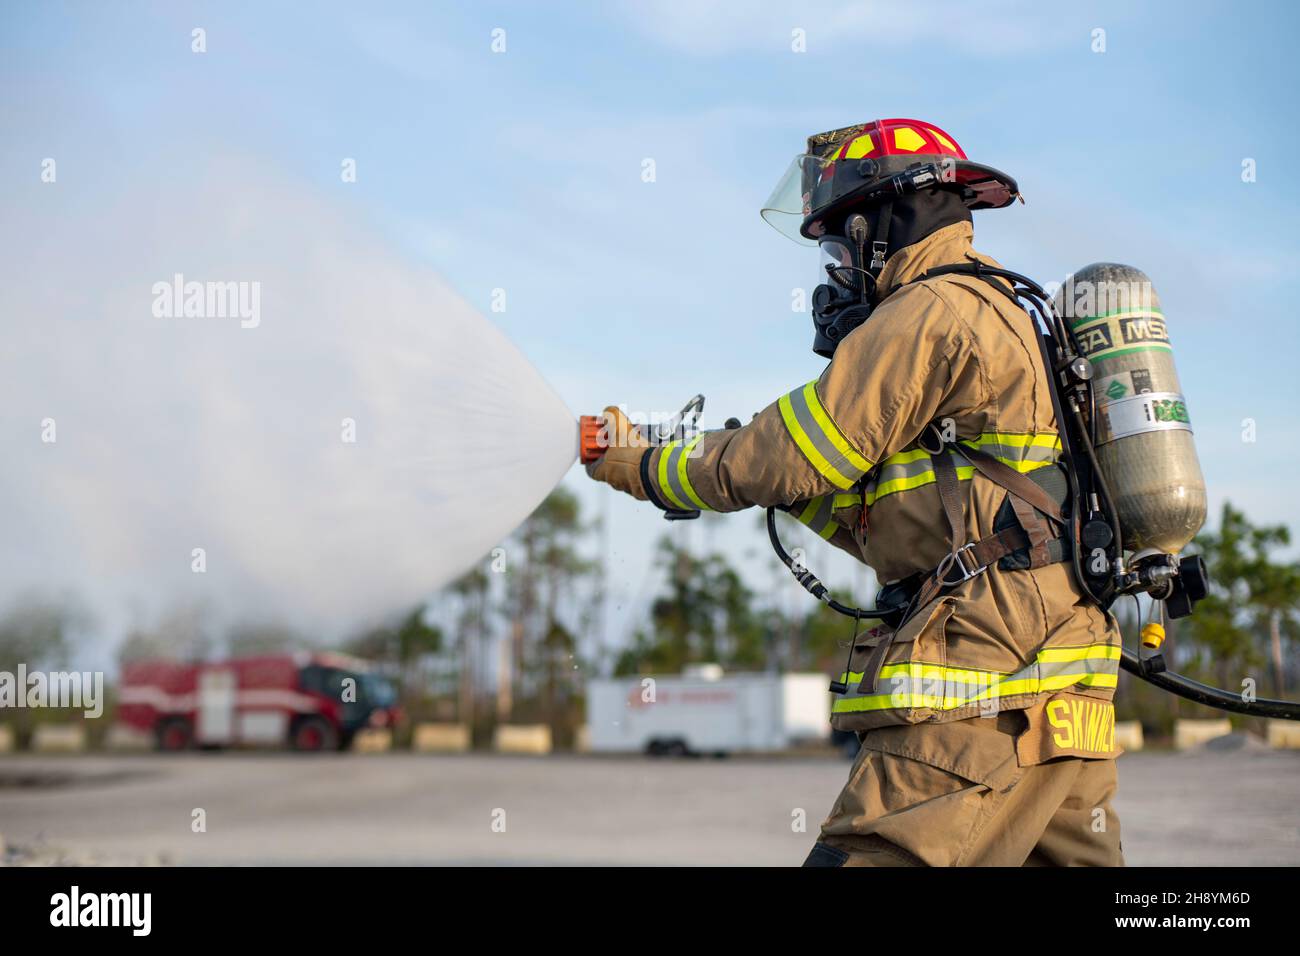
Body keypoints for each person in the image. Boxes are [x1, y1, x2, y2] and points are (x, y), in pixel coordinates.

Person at [586, 119, 1123, 867]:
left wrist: (642, 464)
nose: (835, 272)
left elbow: (781, 456)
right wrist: (780, 483)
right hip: (1062, 697)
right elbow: (904, 512)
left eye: (837, 247)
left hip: (979, 691)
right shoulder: (1013, 313)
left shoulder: (930, 310)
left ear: (879, 225)